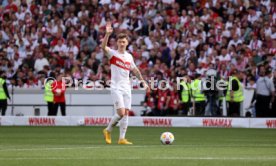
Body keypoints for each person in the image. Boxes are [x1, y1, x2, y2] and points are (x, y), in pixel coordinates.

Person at [102, 22, 150, 145]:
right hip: (116, 87)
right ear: (117, 43)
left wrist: (143, 82)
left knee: (126, 113)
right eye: (120, 42)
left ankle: (121, 138)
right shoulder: (113, 54)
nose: (122, 44)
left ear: (127, 43)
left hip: (126, 87)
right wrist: (107, 34)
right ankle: (108, 130)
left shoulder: (129, 57)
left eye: (124, 42)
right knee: (121, 113)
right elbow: (103, 48)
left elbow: (135, 70)